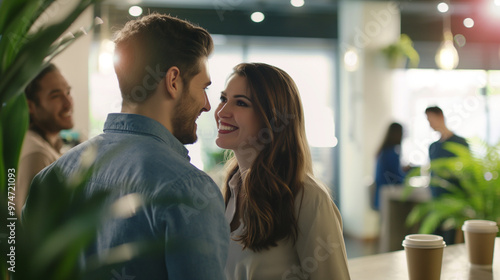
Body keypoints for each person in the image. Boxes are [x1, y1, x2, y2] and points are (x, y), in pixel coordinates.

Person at [23, 13, 229, 279]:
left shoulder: (52, 177)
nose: (207, 105)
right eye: (204, 88)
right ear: (173, 81)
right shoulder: (189, 190)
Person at [215, 63, 351, 280]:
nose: (222, 112)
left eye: (241, 103)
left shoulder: (308, 197)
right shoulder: (229, 188)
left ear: (272, 118)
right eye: (223, 99)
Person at [14, 63, 73, 217]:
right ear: (30, 107)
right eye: (55, 96)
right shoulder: (37, 154)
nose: (68, 103)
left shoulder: (49, 144)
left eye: (68, 92)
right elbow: (30, 227)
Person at [425, 105, 469, 244]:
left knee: (449, 240)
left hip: (453, 202)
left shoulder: (460, 143)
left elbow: (467, 171)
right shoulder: (433, 147)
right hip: (436, 201)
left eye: (431, 119)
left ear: (441, 117)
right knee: (434, 239)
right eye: (428, 120)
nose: (430, 124)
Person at [373, 122, 408, 211]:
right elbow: (397, 179)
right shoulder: (393, 153)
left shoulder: (383, 152)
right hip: (388, 197)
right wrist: (408, 173)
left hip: (380, 196)